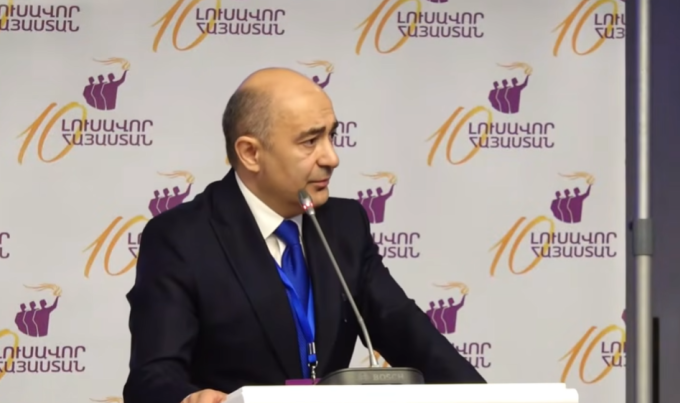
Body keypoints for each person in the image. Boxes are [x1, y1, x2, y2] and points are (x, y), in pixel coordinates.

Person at [122, 68, 486, 403]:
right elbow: (152, 377)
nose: (332, 157)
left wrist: (484, 397)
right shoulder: (182, 238)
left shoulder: (344, 225)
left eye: (331, 136)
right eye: (310, 141)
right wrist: (189, 398)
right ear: (250, 153)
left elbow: (408, 333)